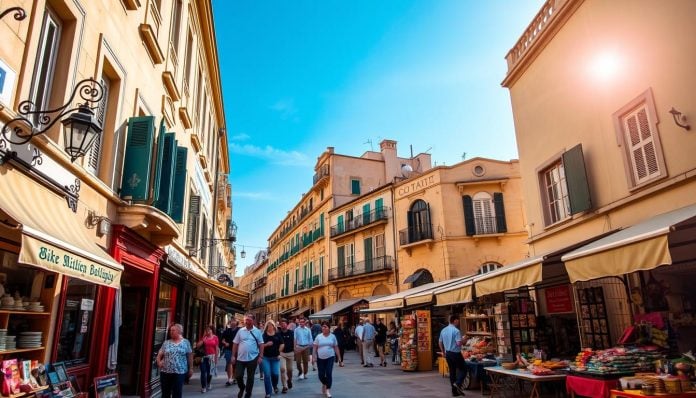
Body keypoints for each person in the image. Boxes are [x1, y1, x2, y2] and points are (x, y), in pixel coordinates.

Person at [156, 323, 193, 398]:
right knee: (165, 394)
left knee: (177, 393)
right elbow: (159, 354)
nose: (171, 332)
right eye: (170, 330)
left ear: (179, 331)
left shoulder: (186, 342)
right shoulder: (166, 343)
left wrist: (191, 368)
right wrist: (159, 362)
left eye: (173, 330)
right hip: (165, 372)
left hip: (179, 372)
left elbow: (190, 356)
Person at [231, 313, 264, 398]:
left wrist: (260, 356)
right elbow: (235, 343)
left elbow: (261, 344)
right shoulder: (240, 331)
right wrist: (233, 356)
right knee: (238, 375)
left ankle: (248, 393)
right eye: (245, 320)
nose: (246, 321)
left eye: (248, 320)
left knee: (250, 377)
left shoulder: (257, 331)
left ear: (253, 321)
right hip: (240, 358)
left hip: (253, 357)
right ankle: (242, 387)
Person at [438, 315, 467, 397]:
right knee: (464, 369)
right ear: (454, 321)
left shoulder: (443, 330)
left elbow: (440, 342)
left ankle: (454, 392)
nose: (458, 322)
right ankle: (458, 383)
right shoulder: (456, 331)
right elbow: (458, 343)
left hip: (448, 354)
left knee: (452, 371)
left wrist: (443, 352)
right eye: (457, 320)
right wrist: (464, 340)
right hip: (456, 354)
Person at [312, 321, 341, 398]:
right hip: (320, 358)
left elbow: (336, 347)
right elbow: (314, 347)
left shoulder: (333, 336)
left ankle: (328, 390)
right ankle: (324, 383)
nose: (323, 328)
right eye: (323, 327)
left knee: (328, 373)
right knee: (321, 375)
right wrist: (313, 357)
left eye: (325, 327)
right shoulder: (319, 336)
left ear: (329, 328)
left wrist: (339, 358)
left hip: (330, 357)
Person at [261, 320, 283, 398]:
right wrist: (266, 344)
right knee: (267, 375)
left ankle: (275, 385)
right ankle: (268, 392)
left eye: (271, 325)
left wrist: (279, 352)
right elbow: (260, 346)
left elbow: (282, 344)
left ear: (274, 326)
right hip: (265, 357)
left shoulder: (277, 334)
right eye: (268, 326)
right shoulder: (264, 335)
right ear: (266, 327)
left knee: (275, 374)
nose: (270, 327)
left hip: (275, 357)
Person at [195, 325, 220, 392]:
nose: (208, 331)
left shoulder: (215, 338)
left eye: (209, 330)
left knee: (209, 373)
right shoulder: (204, 338)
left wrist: (216, 358)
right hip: (203, 357)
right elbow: (197, 346)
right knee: (203, 372)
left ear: (212, 330)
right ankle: (203, 387)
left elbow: (216, 348)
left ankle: (208, 383)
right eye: (206, 330)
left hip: (211, 357)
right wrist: (203, 338)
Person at [221, 318, 240, 386]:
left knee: (236, 364)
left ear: (236, 322)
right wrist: (225, 343)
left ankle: (234, 377)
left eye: (234, 321)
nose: (232, 322)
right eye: (231, 321)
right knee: (229, 362)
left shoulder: (239, 330)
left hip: (237, 350)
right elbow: (222, 340)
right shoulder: (227, 331)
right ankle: (229, 379)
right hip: (228, 349)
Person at [278, 318, 295, 393]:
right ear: (280, 325)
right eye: (281, 324)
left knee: (290, 370)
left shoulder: (291, 332)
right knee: (282, 369)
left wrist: (295, 349)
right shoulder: (278, 333)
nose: (283, 325)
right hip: (282, 354)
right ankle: (284, 386)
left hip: (290, 353)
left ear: (287, 325)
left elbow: (294, 341)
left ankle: (289, 380)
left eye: (284, 324)